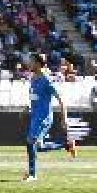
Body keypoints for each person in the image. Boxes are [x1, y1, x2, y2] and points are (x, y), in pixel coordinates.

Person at [21, 54, 76, 182]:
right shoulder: (33, 78)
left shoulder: (47, 80)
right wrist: (28, 107)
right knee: (38, 146)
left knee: (30, 142)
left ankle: (32, 174)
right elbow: (34, 96)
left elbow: (61, 99)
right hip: (35, 116)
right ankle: (66, 145)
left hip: (44, 117)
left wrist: (64, 118)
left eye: (31, 61)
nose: (29, 64)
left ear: (38, 64)